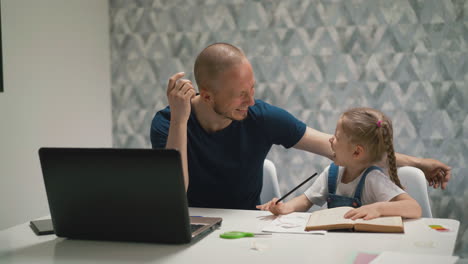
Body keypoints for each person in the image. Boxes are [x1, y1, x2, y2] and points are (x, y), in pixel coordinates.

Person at [150, 42, 451, 210]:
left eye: (252, 89)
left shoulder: (261, 117)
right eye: (241, 95)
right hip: (192, 226)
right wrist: (180, 119)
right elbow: (174, 194)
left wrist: (418, 163)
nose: (251, 101)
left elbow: (343, 151)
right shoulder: (168, 122)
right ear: (207, 94)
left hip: (244, 228)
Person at [257, 107, 422, 220]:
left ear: (356, 152)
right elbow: (307, 200)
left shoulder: (373, 179)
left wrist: (378, 209)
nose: (330, 139)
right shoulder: (333, 172)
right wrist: (285, 208)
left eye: (336, 137)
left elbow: (414, 208)